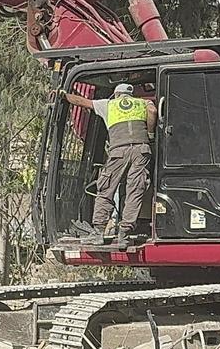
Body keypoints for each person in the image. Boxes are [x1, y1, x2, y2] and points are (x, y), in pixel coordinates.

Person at [63, 82, 155, 243]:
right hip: (141, 150)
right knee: (135, 190)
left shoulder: (109, 104)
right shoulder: (142, 103)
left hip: (119, 150)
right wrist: (150, 133)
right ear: (130, 95)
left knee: (106, 188)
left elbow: (81, 102)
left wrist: (63, 95)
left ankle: (98, 231)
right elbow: (153, 110)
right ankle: (125, 233)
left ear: (116, 94)